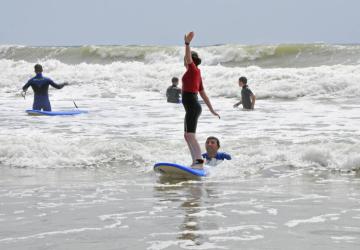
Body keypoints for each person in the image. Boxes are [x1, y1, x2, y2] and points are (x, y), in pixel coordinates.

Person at [182, 32, 220, 169]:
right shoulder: (195, 73)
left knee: (190, 136)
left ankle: (198, 161)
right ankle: (195, 161)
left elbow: (188, 58)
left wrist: (187, 44)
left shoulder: (193, 70)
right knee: (187, 136)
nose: (186, 60)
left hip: (192, 105)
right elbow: (203, 93)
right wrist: (211, 109)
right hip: (193, 106)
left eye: (188, 59)